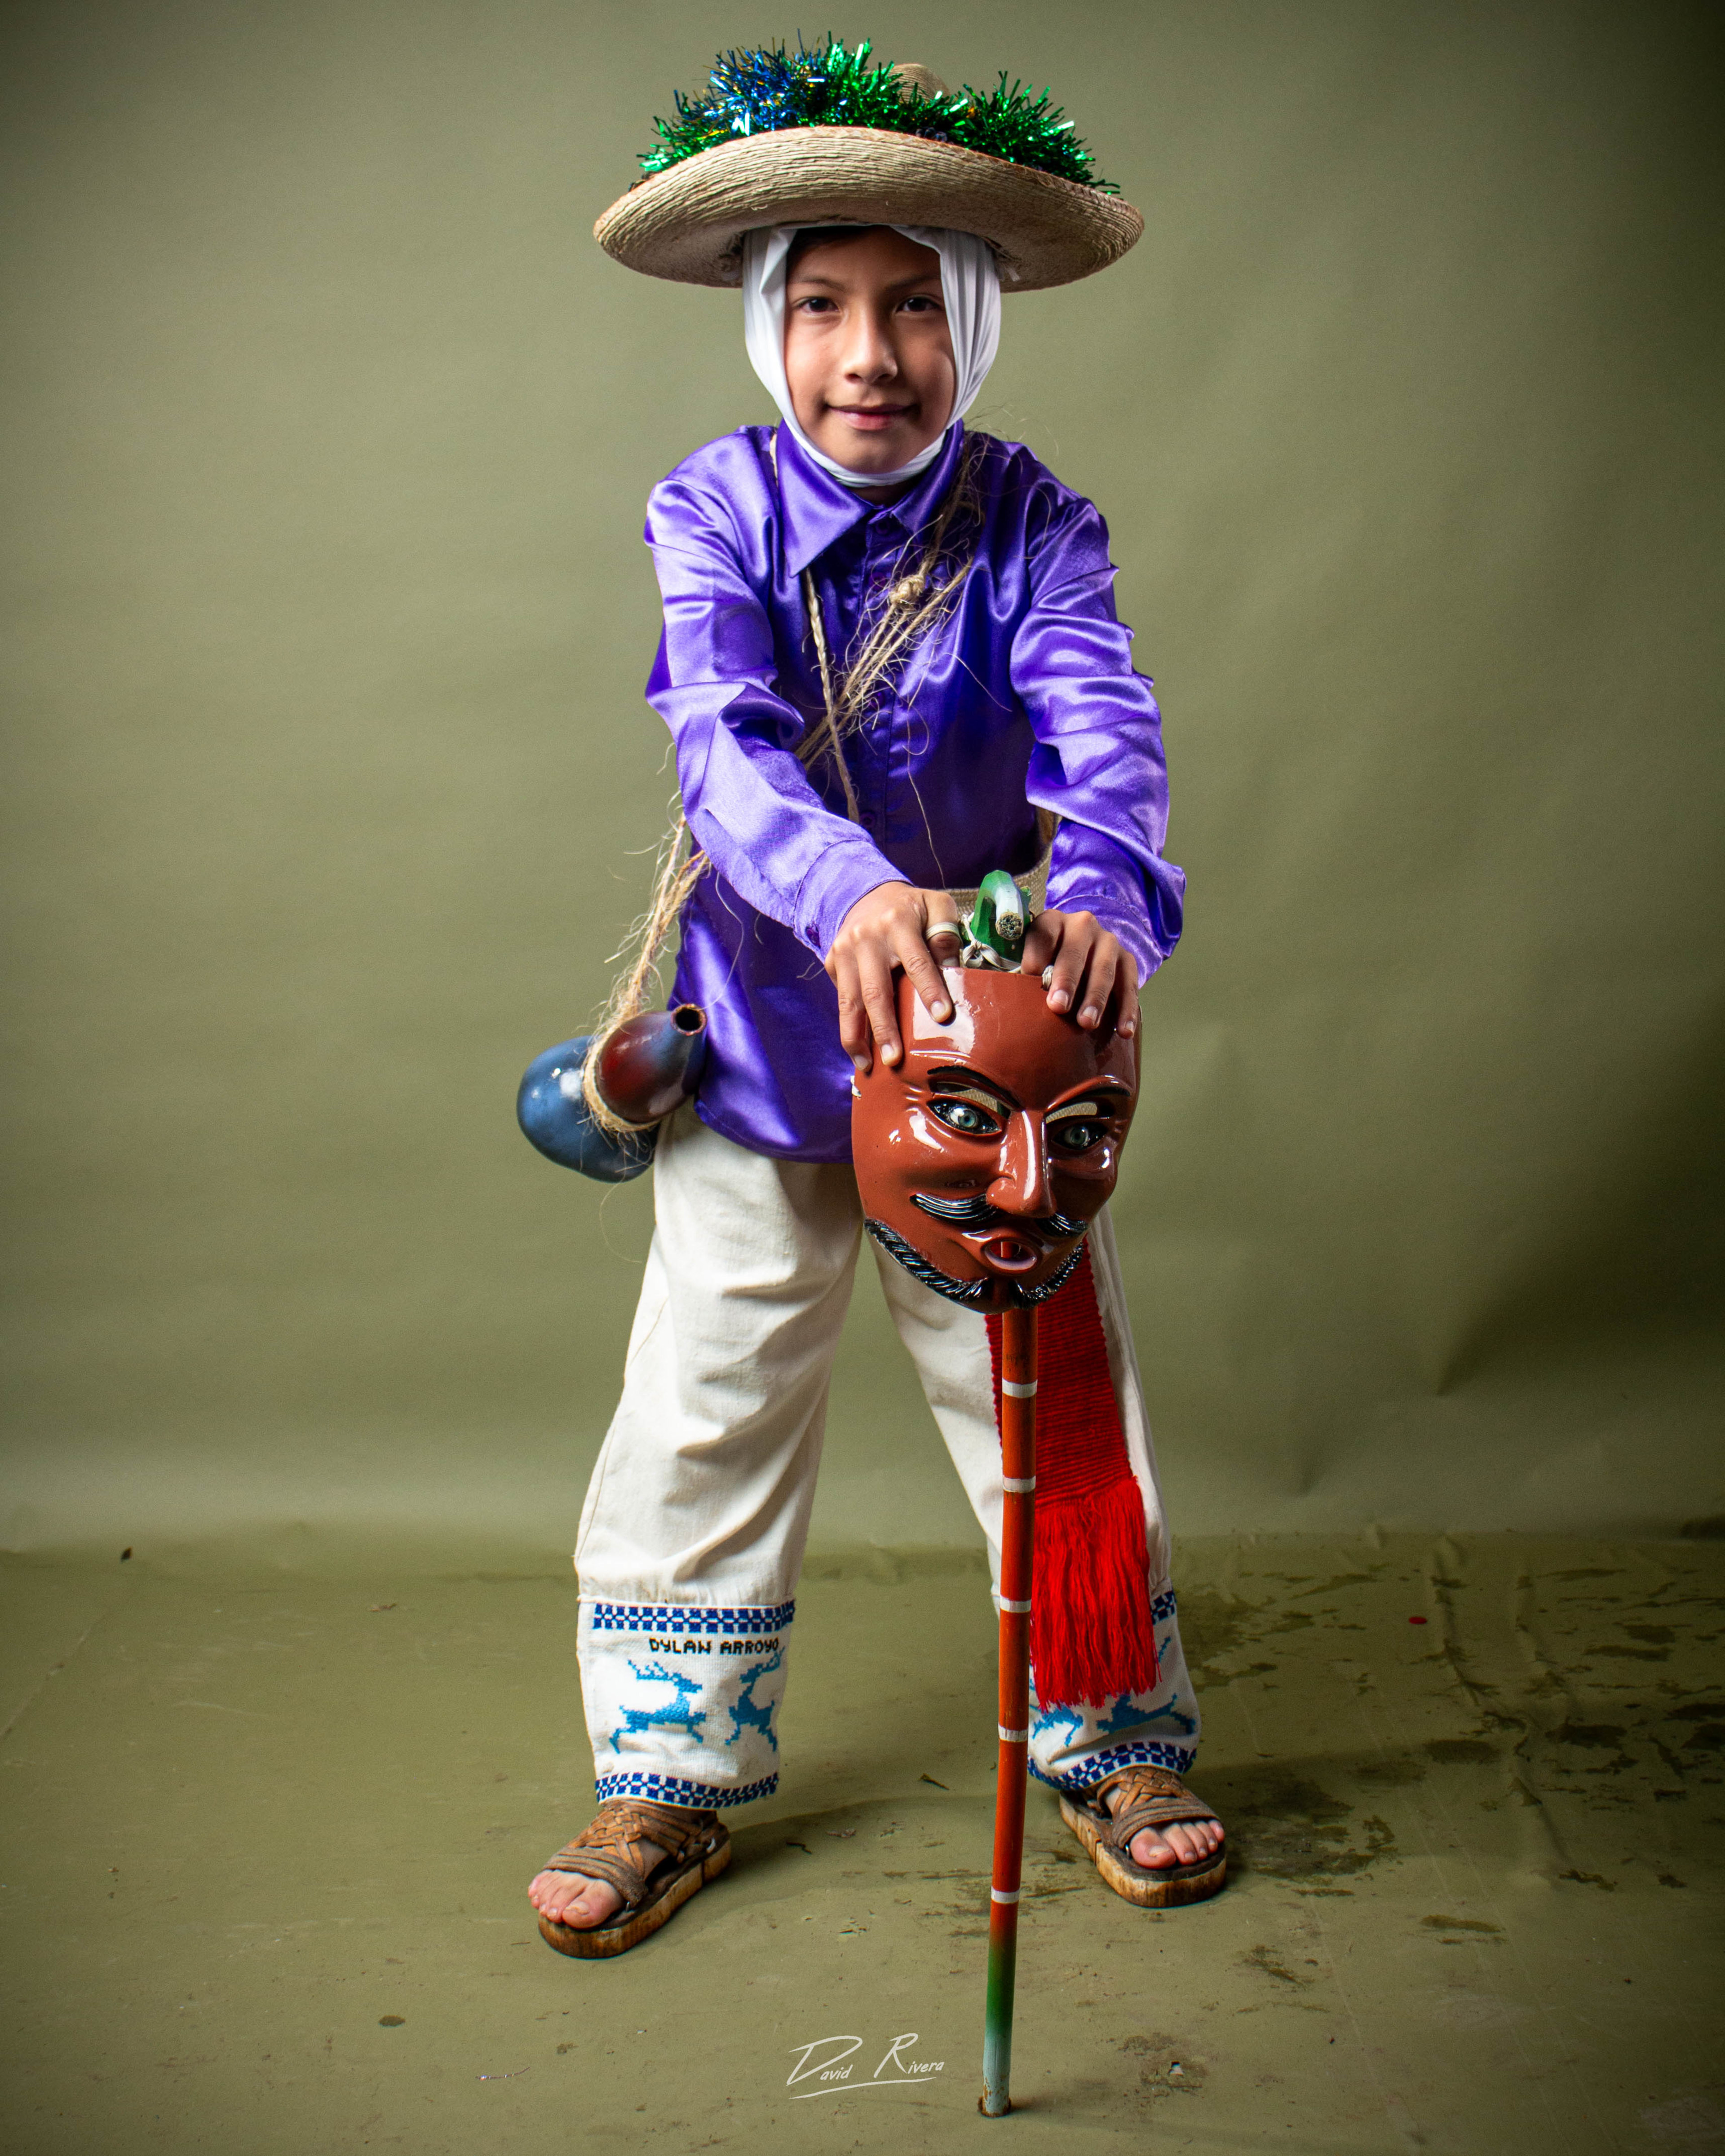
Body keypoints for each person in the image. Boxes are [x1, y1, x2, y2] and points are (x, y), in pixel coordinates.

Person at [526, 41, 1225, 1958]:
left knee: (1048, 1407)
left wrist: (1101, 911)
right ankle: (665, 1773)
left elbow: (1109, 724)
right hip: (764, 1048)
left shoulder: (1037, 522)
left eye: (917, 307)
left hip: (990, 1078)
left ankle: (1111, 1731)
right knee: (711, 1400)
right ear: (770, 324)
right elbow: (725, 744)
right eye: (825, 306)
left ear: (974, 321)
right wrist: (849, 897)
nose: (870, 356)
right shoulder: (711, 510)